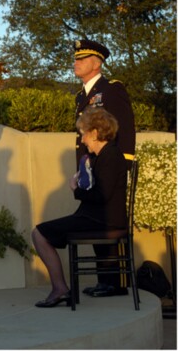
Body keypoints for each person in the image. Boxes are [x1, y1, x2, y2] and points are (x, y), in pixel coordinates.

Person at [32, 108, 127, 307]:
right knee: (43, 232)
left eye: (84, 134)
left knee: (39, 233)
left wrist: (76, 189)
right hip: (97, 217)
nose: (82, 140)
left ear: (94, 133)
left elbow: (102, 196)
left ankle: (60, 289)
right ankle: (62, 289)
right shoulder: (105, 155)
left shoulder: (109, 155)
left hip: (100, 220)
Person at [73, 39, 135, 297]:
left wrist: (123, 164)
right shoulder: (81, 96)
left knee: (109, 218)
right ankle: (104, 280)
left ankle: (116, 283)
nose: (75, 63)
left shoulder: (111, 89)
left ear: (96, 63)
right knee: (95, 217)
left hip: (110, 166)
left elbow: (126, 128)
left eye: (81, 59)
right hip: (90, 166)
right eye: (75, 58)